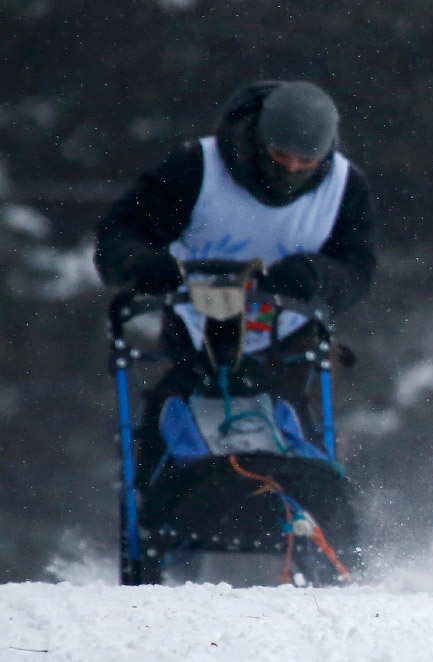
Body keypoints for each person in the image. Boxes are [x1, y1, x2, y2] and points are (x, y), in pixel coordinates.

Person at [95, 80, 377, 486]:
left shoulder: (346, 189)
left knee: (302, 440)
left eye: (306, 161)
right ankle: (163, 520)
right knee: (170, 426)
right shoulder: (197, 168)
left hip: (289, 342)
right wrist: (142, 265)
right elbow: (120, 233)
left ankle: (322, 530)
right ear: (258, 141)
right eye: (281, 156)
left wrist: (316, 274)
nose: (293, 169)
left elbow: (357, 270)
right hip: (196, 332)